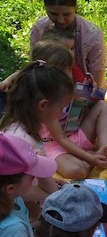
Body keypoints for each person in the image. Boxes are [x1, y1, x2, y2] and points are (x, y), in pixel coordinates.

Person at [31, 38, 107, 179]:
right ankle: (91, 158)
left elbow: (83, 108)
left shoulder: (67, 83)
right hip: (53, 145)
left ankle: (103, 147)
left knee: (103, 107)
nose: (71, 73)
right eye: (68, 70)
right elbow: (61, 139)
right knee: (77, 171)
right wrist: (90, 158)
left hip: (73, 135)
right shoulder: (46, 103)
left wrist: (85, 94)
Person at [0, 60, 74, 197]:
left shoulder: (21, 123)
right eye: (62, 107)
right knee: (53, 199)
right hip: (12, 197)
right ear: (43, 105)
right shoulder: (19, 140)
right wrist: (54, 195)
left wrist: (54, 184)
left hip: (19, 187)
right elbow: (16, 189)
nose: (62, 113)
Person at [29, 0, 107, 88]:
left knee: (102, 106)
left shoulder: (92, 36)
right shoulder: (40, 29)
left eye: (66, 14)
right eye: (53, 14)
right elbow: (33, 67)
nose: (60, 20)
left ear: (75, 8)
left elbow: (97, 81)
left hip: (84, 91)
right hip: (47, 87)